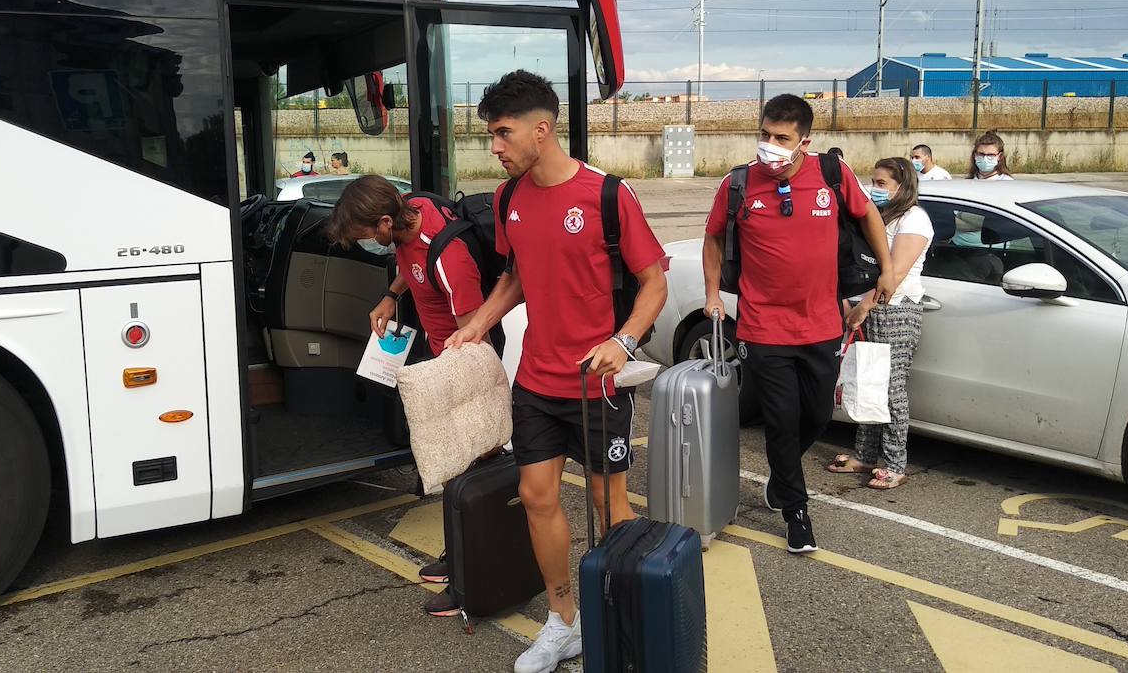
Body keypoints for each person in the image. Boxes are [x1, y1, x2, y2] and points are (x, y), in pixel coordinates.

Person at [446, 70, 666, 673]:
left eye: (502, 133)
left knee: (606, 502)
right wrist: (477, 323)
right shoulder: (508, 198)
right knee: (534, 495)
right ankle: (564, 621)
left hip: (598, 383)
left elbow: (654, 283)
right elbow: (514, 277)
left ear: (541, 130)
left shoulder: (607, 195)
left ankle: (618, 615)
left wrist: (624, 340)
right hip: (537, 382)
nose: (494, 145)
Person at [701, 94, 897, 555]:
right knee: (782, 421)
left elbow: (868, 214)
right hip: (763, 328)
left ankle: (781, 476)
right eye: (764, 135)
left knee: (815, 415)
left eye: (781, 139)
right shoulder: (739, 183)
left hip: (823, 324)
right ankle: (796, 512)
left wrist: (886, 270)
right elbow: (712, 238)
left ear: (804, 141)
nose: (770, 145)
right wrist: (712, 294)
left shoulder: (831, 174)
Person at [326, 174, 486, 617]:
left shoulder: (449, 255)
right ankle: (459, 557)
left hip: (461, 367)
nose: (366, 244)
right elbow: (407, 263)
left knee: (466, 469)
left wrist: (454, 389)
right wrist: (390, 296)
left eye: (363, 236)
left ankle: (472, 576)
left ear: (382, 223)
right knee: (452, 471)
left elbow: (476, 333)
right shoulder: (408, 209)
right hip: (438, 358)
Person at [827, 157, 932, 489]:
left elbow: (895, 275)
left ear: (903, 185)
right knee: (868, 381)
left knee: (891, 389)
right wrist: (848, 301)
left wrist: (863, 309)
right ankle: (864, 456)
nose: (875, 189)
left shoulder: (914, 219)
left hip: (894, 310)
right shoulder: (878, 216)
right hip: (868, 308)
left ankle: (895, 463)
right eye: (873, 181)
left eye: (882, 183)